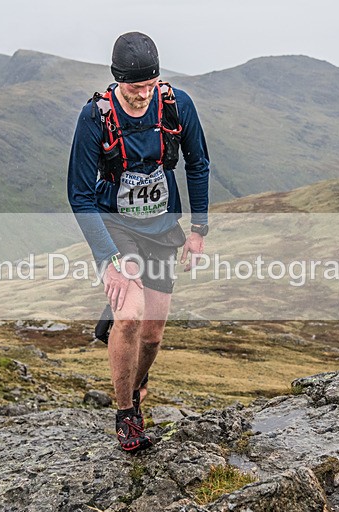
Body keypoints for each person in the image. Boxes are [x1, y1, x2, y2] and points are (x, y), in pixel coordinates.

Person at [67, 31, 210, 452]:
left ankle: (135, 376)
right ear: (117, 80)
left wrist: (199, 230)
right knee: (130, 316)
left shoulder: (177, 105)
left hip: (162, 228)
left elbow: (198, 164)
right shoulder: (95, 117)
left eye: (150, 85)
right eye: (134, 88)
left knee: (152, 334)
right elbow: (79, 195)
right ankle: (127, 413)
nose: (143, 95)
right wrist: (110, 260)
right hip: (116, 225)